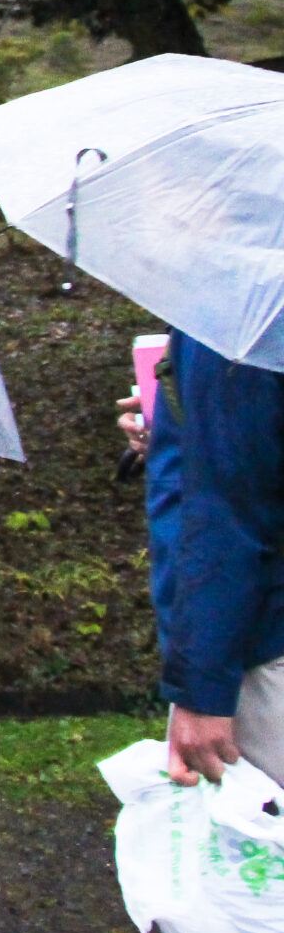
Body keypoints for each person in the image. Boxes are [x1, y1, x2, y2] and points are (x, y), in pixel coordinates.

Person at [123, 333, 284, 785]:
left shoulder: (243, 318)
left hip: (264, 641)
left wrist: (202, 691)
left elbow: (228, 509)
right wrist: (178, 433)